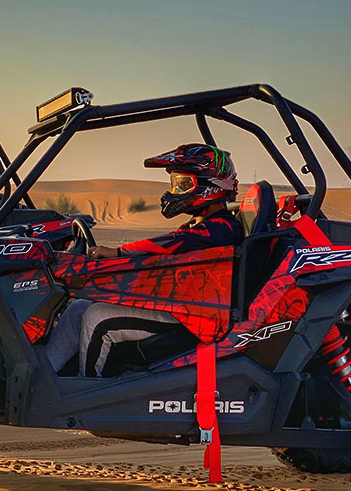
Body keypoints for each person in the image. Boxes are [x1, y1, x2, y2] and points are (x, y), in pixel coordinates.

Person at [47, 144, 243, 377]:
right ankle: (45, 376)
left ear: (211, 187)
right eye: (175, 184)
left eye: (183, 184)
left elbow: (171, 243)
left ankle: (81, 395)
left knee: (97, 318)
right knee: (79, 308)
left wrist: (118, 253)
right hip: (175, 301)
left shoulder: (223, 228)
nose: (176, 191)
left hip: (194, 314)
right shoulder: (199, 225)